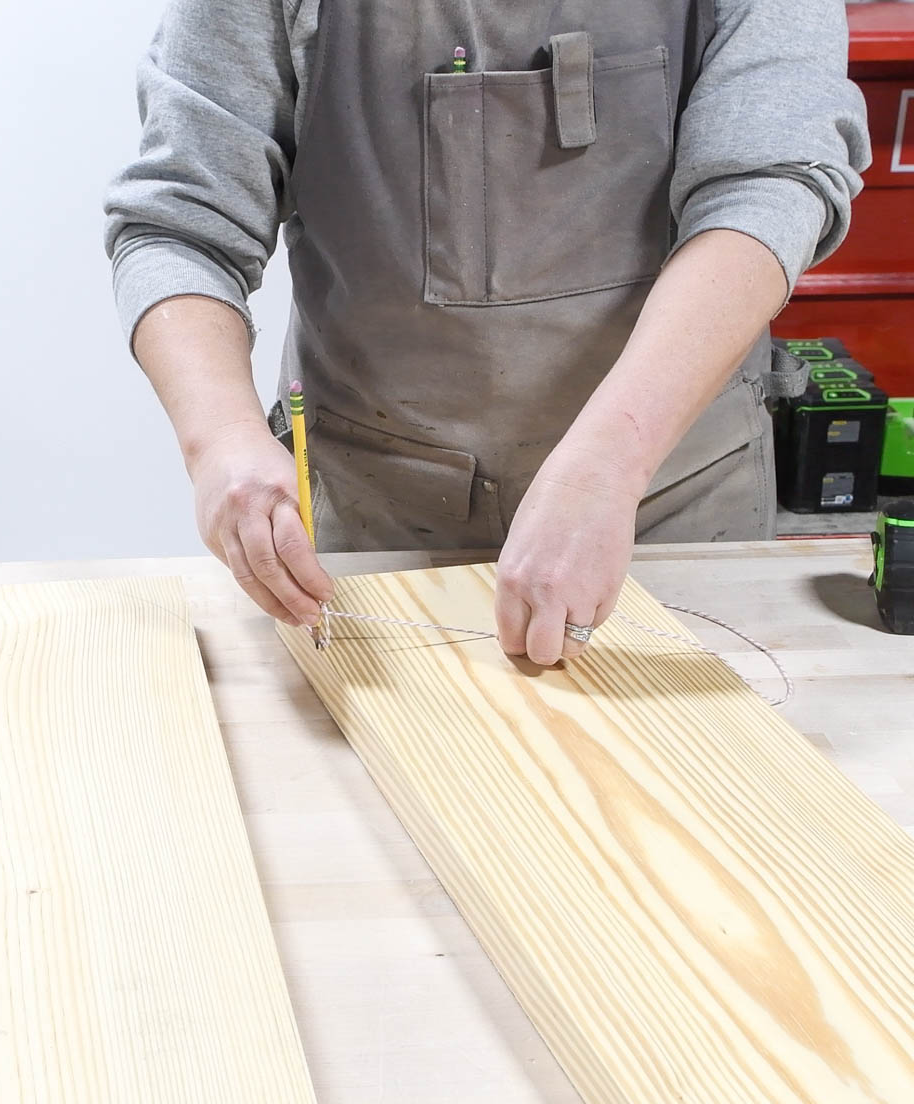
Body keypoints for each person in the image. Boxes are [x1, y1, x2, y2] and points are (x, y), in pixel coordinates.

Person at [105, 0, 869, 666]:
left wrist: (611, 461)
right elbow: (180, 224)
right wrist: (221, 445)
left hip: (673, 502)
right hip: (376, 517)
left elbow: (770, 184)